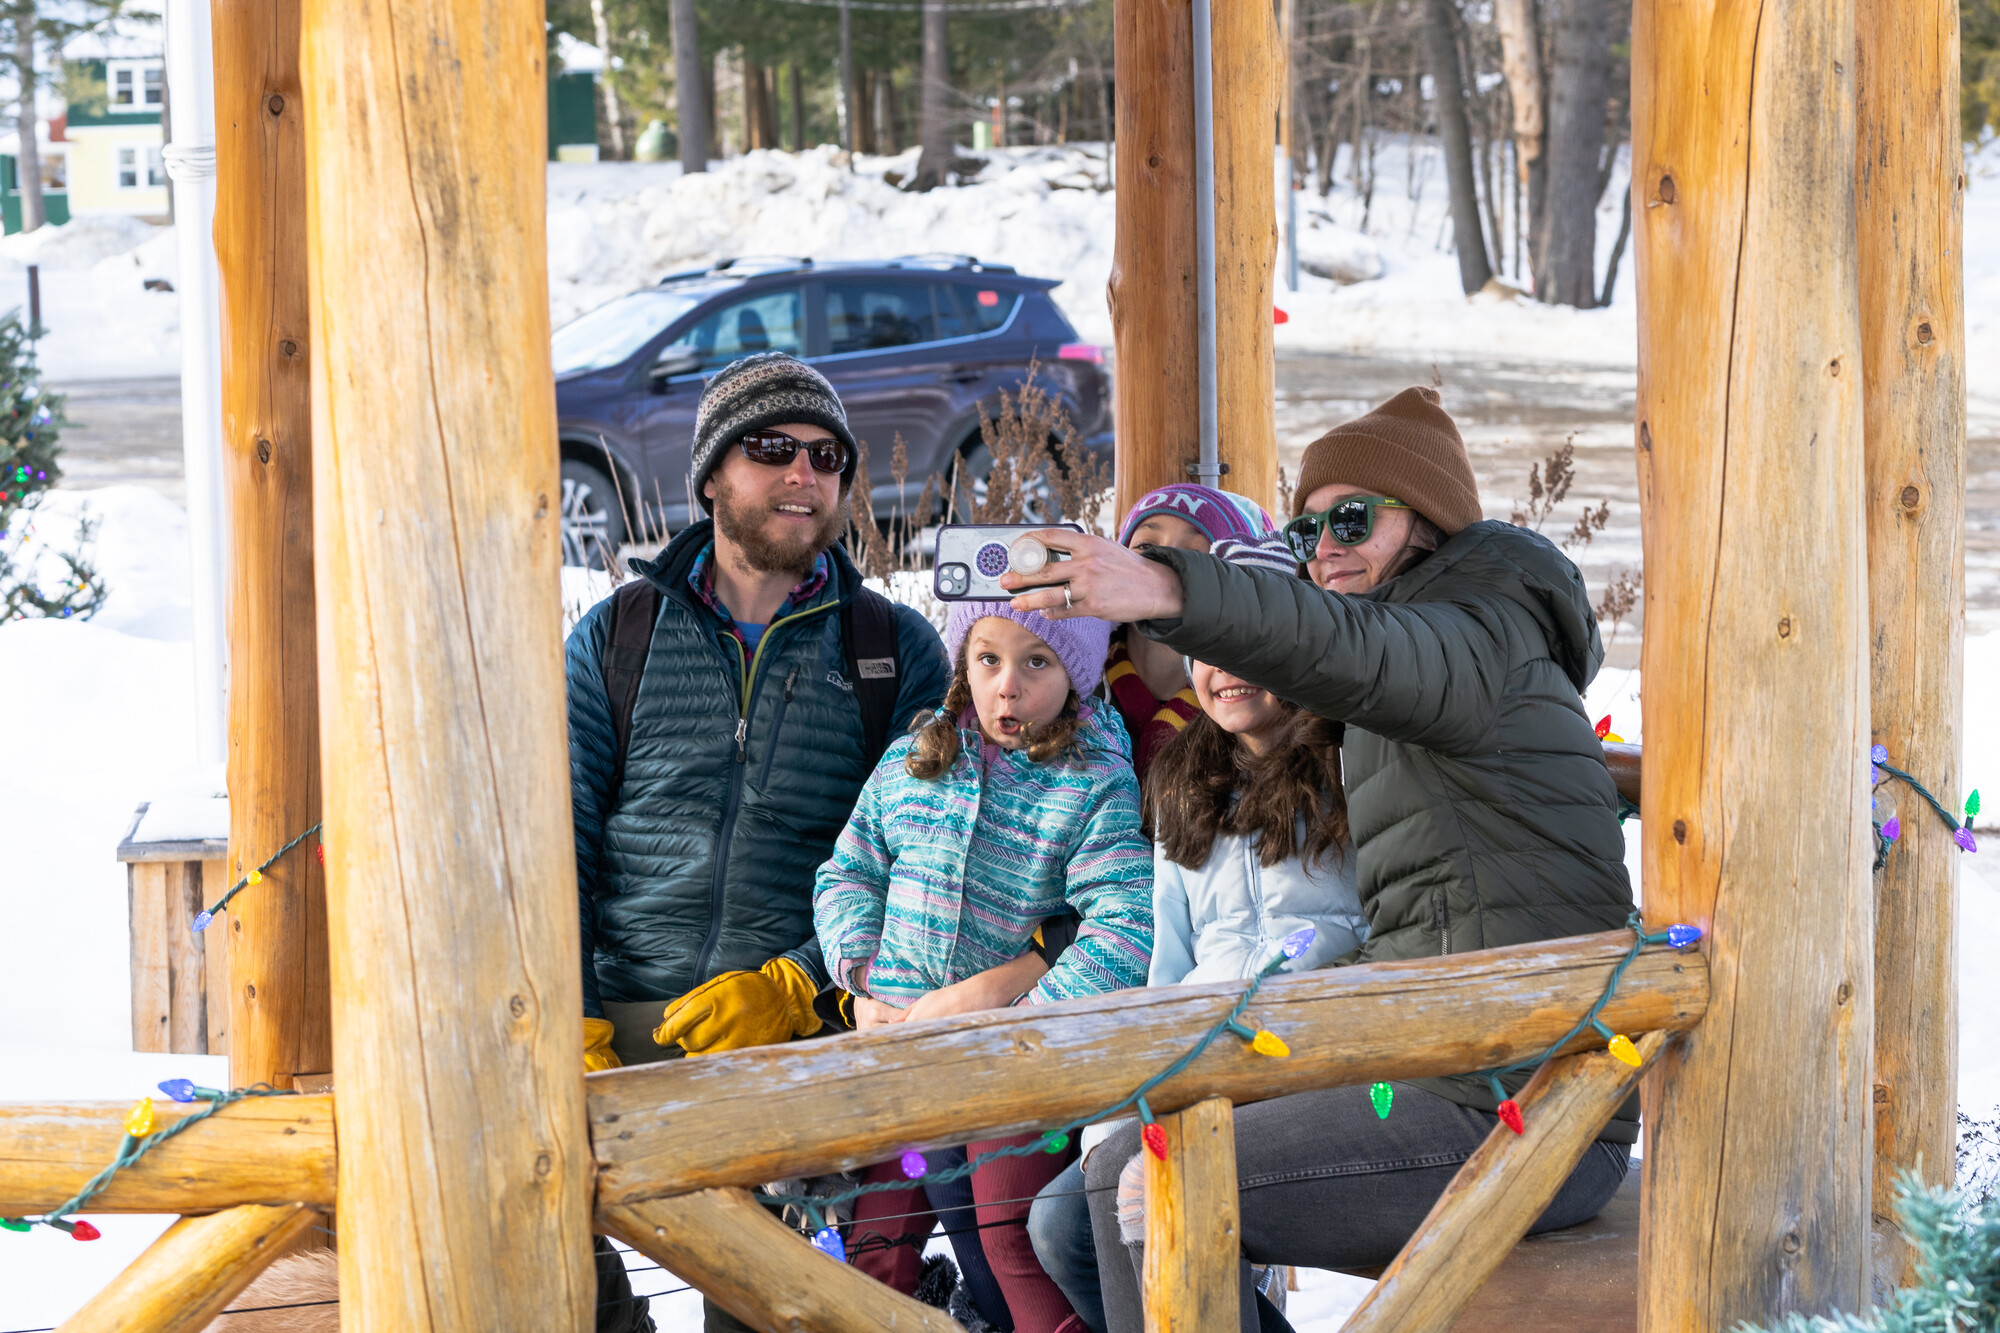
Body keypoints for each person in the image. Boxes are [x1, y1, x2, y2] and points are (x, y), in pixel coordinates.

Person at [999, 386, 1637, 1333]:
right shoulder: (1429, 651)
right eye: (1306, 531)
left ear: (1428, 525)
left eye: (1351, 519)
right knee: (1103, 1178)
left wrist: (1169, 589)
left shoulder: (1474, 628)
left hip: (1525, 1103)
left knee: (1159, 1185)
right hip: (1442, 1058)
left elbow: (1345, 650)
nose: (1326, 546)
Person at [564, 352, 951, 1332]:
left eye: (827, 458)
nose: (803, 474)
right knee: (549, 1278)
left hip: (793, 1039)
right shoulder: (617, 638)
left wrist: (795, 984)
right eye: (771, 448)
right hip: (620, 1028)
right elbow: (551, 851)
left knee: (772, 1310)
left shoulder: (890, 651)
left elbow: (921, 875)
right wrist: (573, 1023)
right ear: (709, 477)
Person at [1026, 536, 1368, 1333]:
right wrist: (1135, 1091)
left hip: (1322, 1057)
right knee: (1064, 1218)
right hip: (1201, 1055)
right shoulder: (1183, 780)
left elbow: (1374, 925)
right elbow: (1168, 964)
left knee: (1146, 1190)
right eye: (1207, 650)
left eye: (1249, 643)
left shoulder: (1352, 761)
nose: (1225, 667)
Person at [814, 600, 1156, 1333]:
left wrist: (1019, 1028)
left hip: (1011, 1072)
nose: (1008, 686)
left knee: (1007, 1234)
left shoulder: (1091, 779)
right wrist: (862, 973)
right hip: (902, 1056)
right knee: (877, 1245)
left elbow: (1125, 925)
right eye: (988, 659)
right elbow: (848, 871)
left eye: (1038, 662)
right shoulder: (919, 756)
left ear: (1078, 673)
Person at [1104, 485, 1279, 784]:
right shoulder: (1071, 682)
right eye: (1146, 545)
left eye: (1194, 554)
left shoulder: (1247, 705)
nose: (1162, 560)